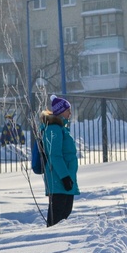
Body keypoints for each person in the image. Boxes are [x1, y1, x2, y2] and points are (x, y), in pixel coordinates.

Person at [40, 94, 79, 226]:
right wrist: (64, 177)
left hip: (64, 179)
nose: (70, 113)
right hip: (58, 180)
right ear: (61, 111)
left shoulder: (61, 129)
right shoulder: (54, 129)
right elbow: (54, 155)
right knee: (57, 218)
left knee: (64, 214)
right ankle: (49, 242)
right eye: (68, 110)